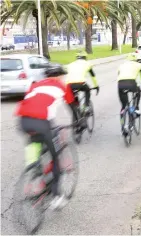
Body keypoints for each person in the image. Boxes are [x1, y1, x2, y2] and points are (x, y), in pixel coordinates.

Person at [15, 66, 78, 210]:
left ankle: (34, 170)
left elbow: (32, 103)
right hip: (42, 123)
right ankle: (56, 196)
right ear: (59, 77)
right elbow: (71, 105)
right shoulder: (62, 86)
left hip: (23, 121)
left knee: (35, 142)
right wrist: (77, 121)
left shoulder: (35, 85)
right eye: (62, 76)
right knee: (56, 158)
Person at [117, 53, 141, 133]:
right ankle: (136, 108)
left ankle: (122, 126)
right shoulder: (139, 65)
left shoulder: (121, 65)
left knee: (123, 106)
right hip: (131, 83)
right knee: (138, 90)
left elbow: (119, 76)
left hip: (120, 85)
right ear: (136, 60)